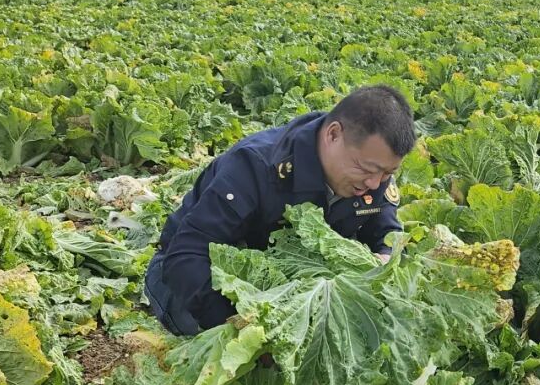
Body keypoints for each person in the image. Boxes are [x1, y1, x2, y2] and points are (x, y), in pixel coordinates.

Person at [145, 84, 416, 335]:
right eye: (367, 169)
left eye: (388, 173)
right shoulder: (255, 166)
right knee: (231, 347)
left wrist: (385, 257)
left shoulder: (374, 172)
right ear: (333, 134)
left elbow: (386, 234)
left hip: (295, 291)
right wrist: (247, 328)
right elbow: (186, 256)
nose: (375, 183)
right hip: (196, 278)